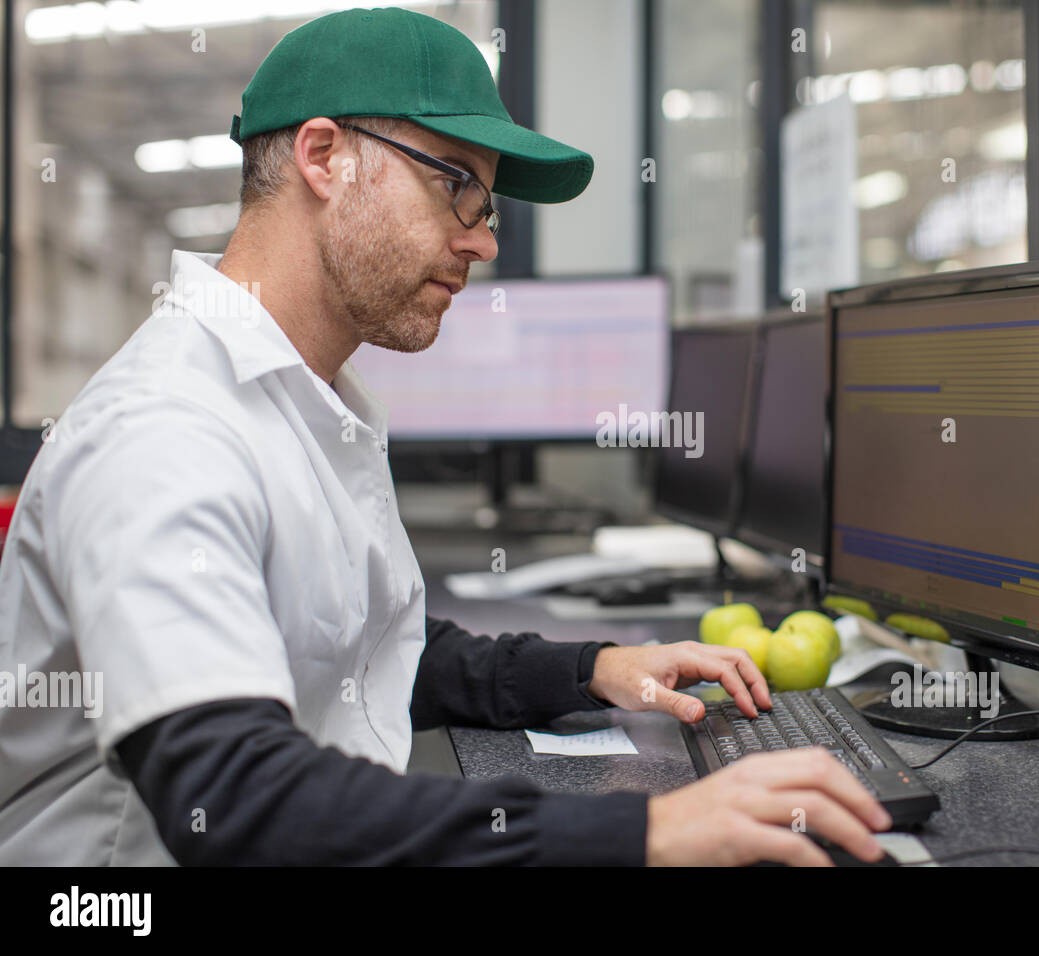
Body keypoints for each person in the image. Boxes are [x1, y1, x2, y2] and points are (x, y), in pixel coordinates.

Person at [0, 7, 890, 866]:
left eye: (488, 206)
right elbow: (233, 799)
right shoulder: (163, 432)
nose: (484, 243)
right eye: (456, 184)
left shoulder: (303, 402)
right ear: (324, 157)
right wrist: (645, 836)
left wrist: (594, 667)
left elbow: (369, 652)